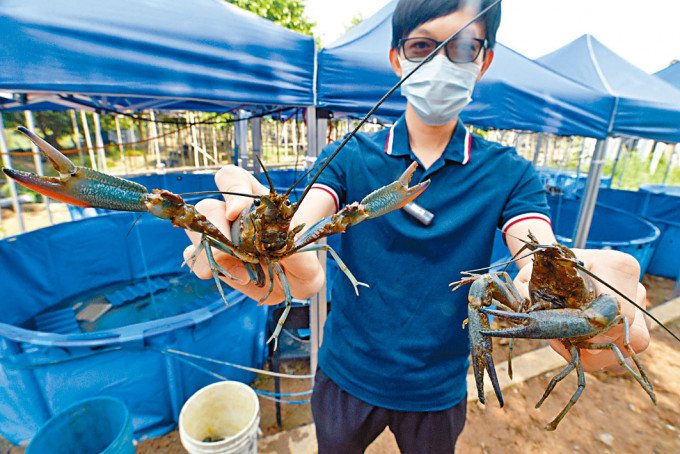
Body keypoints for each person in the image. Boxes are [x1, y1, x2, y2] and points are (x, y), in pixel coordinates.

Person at [183, 0, 650, 452]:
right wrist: (285, 248)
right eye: (423, 46)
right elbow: (308, 220)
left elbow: (535, 250)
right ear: (396, 56)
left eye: (463, 47)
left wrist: (563, 290)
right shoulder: (348, 157)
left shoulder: (511, 174)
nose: (442, 62)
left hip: (438, 390)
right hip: (346, 375)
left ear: (483, 61)